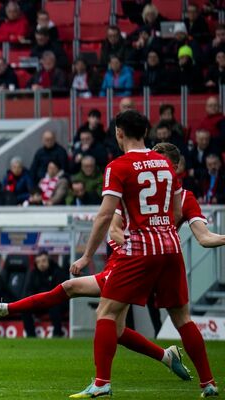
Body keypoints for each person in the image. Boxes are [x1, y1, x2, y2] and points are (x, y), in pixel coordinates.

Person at [0, 142, 219, 395]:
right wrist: (119, 238)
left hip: (137, 261)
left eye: (157, 160)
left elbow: (202, 237)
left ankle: (102, 381)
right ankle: (175, 363)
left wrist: (100, 252)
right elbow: (115, 225)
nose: (150, 164)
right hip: (141, 257)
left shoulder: (179, 197)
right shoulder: (137, 189)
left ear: (173, 168)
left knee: (91, 303)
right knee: (112, 322)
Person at [69, 112, 217, 398]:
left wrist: (87, 256)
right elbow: (175, 212)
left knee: (107, 313)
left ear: (119, 133)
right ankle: (208, 383)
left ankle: (101, 384)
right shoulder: (166, 164)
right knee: (182, 318)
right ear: (147, 131)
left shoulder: (118, 166)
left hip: (140, 249)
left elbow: (103, 216)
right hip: (171, 247)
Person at [20, 251, 68, 337]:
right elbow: (28, 291)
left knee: (54, 306)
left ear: (49, 260)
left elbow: (61, 292)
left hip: (55, 302)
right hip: (40, 302)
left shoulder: (57, 272)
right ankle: (31, 335)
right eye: (38, 262)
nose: (41, 264)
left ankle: (57, 333)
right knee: (25, 308)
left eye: (43, 261)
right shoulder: (33, 274)